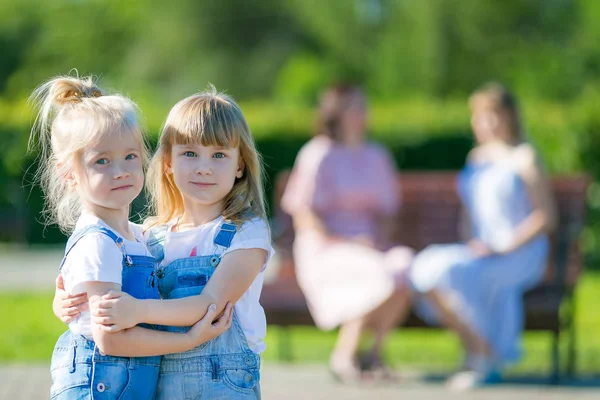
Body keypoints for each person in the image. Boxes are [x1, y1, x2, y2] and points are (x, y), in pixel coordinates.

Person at [58, 87, 273, 398]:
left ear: (240, 165)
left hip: (224, 387)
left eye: (219, 155)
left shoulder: (247, 232)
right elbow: (93, 265)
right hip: (160, 387)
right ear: (168, 162)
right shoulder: (148, 236)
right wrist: (63, 300)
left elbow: (209, 304)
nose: (203, 166)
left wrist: (137, 311)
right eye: (189, 153)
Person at [30, 75, 232, 399]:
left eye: (130, 156)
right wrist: (189, 340)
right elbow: (110, 339)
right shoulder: (98, 242)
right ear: (68, 174)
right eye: (102, 161)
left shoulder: (137, 236)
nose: (121, 170)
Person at [409, 82, 557, 390]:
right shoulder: (476, 158)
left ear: (510, 117)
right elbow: (471, 215)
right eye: (481, 116)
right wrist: (473, 245)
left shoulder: (526, 157)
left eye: (495, 116)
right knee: (426, 269)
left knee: (453, 272)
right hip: (483, 251)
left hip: (521, 253)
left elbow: (545, 218)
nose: (488, 124)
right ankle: (481, 350)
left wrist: (504, 247)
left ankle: (479, 359)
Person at [280, 84, 413, 382]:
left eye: (364, 106)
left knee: (404, 266)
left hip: (369, 246)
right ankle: (345, 355)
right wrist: (350, 242)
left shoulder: (377, 155)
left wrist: (377, 240)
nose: (362, 113)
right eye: (355, 107)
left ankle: (374, 353)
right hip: (324, 247)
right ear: (336, 113)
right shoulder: (317, 153)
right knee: (375, 274)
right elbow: (305, 215)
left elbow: (387, 212)